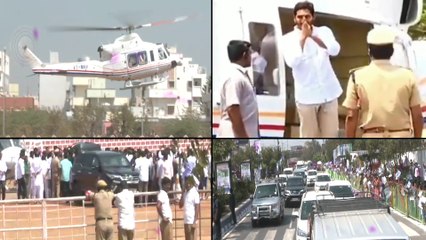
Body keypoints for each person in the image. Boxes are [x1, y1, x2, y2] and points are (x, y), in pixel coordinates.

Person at [343, 26, 423, 138]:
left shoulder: (356, 77)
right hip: (402, 136)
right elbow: (417, 115)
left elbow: (351, 116)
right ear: (392, 51)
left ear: (369, 51)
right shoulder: (408, 76)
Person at [282, 1, 342, 137]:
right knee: (310, 136)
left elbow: (335, 50)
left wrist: (313, 36)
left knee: (331, 135)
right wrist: (303, 38)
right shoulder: (287, 39)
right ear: (294, 18)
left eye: (307, 16)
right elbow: (292, 61)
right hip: (306, 98)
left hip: (329, 93)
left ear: (313, 17)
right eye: (300, 17)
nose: (303, 20)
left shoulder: (324, 31)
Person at [217, 40, 259, 138]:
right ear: (244, 55)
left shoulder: (240, 75)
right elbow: (233, 109)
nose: (251, 57)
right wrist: (243, 138)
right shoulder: (234, 77)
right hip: (236, 137)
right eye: (250, 53)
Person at [179, 175, 200, 240]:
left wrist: (194, 221)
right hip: (186, 220)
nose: (187, 185)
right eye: (186, 183)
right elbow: (180, 205)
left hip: (191, 221)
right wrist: (182, 193)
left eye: (189, 183)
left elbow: (197, 208)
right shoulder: (185, 193)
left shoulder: (195, 193)